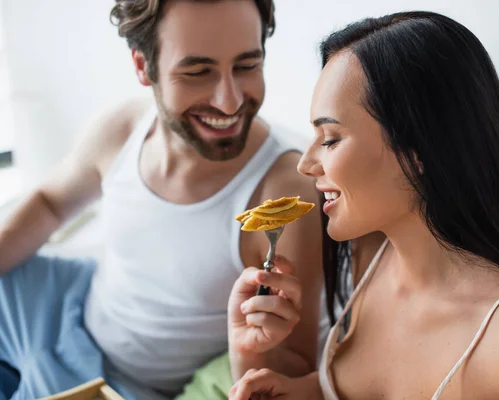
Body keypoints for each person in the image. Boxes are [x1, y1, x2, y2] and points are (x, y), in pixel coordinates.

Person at [227, 11, 499, 400]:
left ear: (419, 149)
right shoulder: (374, 255)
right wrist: (273, 371)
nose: (305, 164)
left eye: (331, 138)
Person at [0, 1, 323, 399]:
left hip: (129, 387)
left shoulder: (284, 193)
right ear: (142, 66)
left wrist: (257, 346)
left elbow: (296, 363)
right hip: (62, 312)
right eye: (197, 72)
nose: (229, 102)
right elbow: (50, 204)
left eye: (246, 66)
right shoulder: (123, 128)